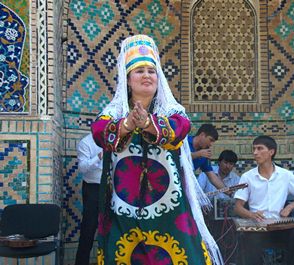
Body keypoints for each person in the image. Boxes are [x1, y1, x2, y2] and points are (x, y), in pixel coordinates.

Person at [91, 34, 222, 265]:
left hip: (169, 209)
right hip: (123, 209)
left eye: (151, 71)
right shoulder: (114, 112)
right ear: (128, 79)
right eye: (139, 71)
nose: (146, 76)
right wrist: (127, 125)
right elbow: (99, 131)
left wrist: (148, 124)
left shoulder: (172, 110)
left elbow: (181, 129)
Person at [234, 135, 294, 265]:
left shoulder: (285, 175)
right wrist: (251, 214)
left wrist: (289, 207)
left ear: (271, 152)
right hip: (257, 229)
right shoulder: (247, 177)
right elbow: (237, 207)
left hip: (279, 228)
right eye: (254, 149)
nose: (255, 153)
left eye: (259, 149)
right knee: (249, 239)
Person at [75, 133, 103, 265]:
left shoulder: (115, 139)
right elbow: (82, 168)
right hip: (93, 188)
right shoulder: (86, 143)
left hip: (111, 187)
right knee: (89, 228)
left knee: (112, 226)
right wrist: (99, 156)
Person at [188, 124, 226, 190]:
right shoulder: (184, 141)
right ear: (202, 135)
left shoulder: (204, 154)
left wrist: (228, 191)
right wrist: (197, 154)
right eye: (210, 140)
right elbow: (177, 157)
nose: (211, 144)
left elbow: (212, 176)